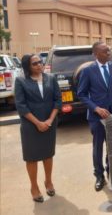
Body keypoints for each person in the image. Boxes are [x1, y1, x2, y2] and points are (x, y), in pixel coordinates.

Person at [77, 41, 112, 192]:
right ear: (96, 54)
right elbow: (82, 94)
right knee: (98, 146)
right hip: (97, 117)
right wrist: (96, 108)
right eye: (105, 51)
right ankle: (99, 176)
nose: (109, 53)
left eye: (109, 51)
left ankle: (111, 170)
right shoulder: (88, 71)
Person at [15, 54, 62, 203]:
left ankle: (48, 181)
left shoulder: (51, 78)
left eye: (40, 62)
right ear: (28, 66)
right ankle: (34, 187)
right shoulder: (21, 81)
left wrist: (49, 120)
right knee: (32, 157)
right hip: (30, 125)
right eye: (35, 63)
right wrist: (37, 123)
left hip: (49, 124)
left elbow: (57, 100)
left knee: (48, 155)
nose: (39, 65)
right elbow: (21, 106)